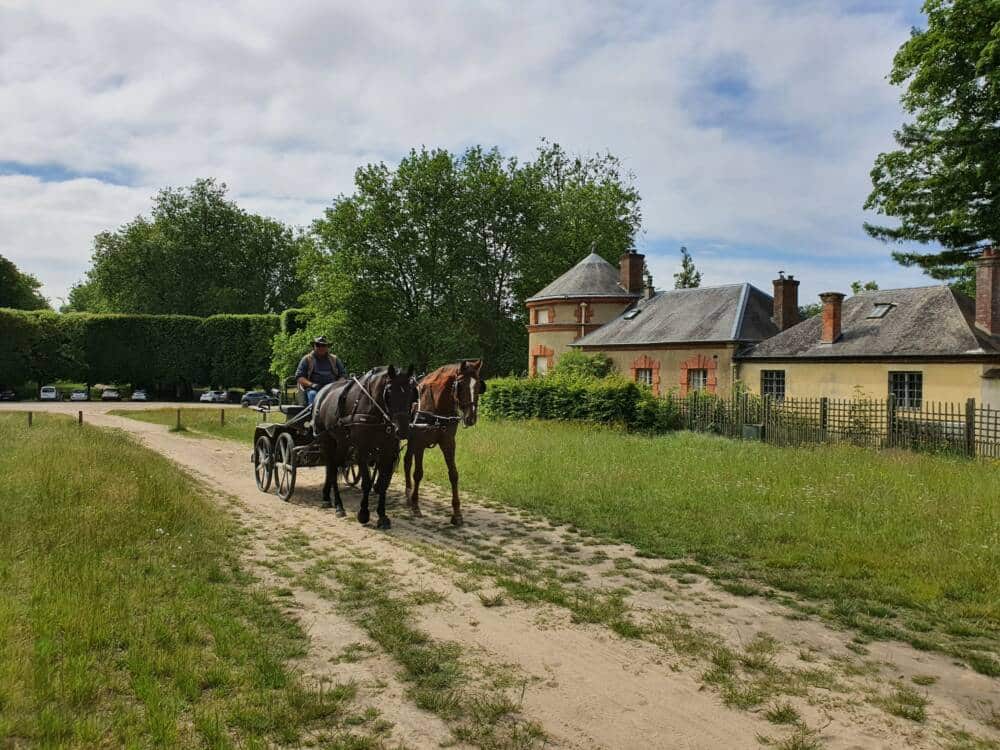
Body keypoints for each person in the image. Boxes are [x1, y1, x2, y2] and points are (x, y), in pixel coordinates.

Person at [295, 336, 347, 406]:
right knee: (313, 395)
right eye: (318, 345)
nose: (321, 347)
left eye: (323, 345)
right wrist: (312, 385)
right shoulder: (307, 359)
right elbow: (299, 377)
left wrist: (337, 385)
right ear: (314, 346)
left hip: (332, 388)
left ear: (327, 347)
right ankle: (314, 415)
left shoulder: (334, 359)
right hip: (314, 389)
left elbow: (343, 375)